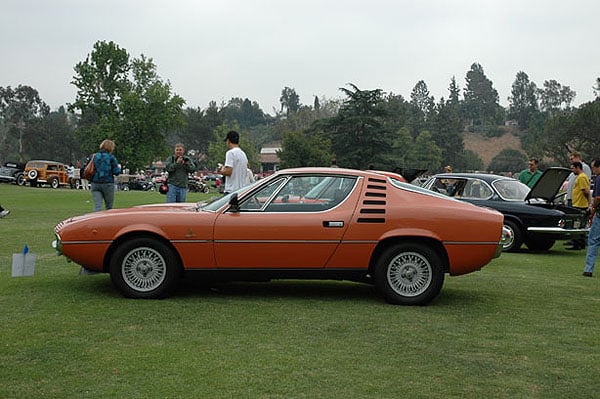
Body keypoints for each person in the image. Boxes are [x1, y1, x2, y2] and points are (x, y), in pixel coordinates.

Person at [90, 139, 121, 211]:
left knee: (97, 206)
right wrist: (119, 169)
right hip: (107, 183)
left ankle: (95, 220)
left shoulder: (94, 156)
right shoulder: (111, 158)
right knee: (109, 207)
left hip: (95, 182)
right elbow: (116, 172)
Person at [567, 161, 590, 250]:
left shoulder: (581, 177)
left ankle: (577, 244)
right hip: (578, 203)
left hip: (579, 204)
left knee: (576, 224)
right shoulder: (581, 177)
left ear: (577, 168)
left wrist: (588, 202)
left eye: (573, 168)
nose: (572, 170)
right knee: (580, 224)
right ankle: (581, 243)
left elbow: (585, 191)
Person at [583, 159, 600, 276]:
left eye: (593, 168)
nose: (593, 171)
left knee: (593, 241)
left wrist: (593, 208)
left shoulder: (599, 178)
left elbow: (598, 197)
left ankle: (588, 269)